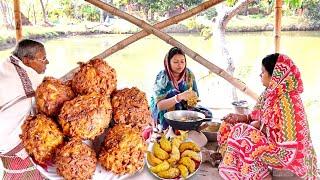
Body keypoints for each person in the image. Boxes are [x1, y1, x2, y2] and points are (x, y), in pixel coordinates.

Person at [217, 53, 318, 179]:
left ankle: (256, 174)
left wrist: (259, 128)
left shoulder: (288, 101)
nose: (260, 75)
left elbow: (290, 144)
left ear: (274, 75)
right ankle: (235, 163)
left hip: (286, 155)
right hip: (268, 139)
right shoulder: (270, 92)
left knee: (240, 131)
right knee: (228, 124)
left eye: (263, 72)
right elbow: (257, 116)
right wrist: (239, 118)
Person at [0, 39, 49, 179]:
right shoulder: (23, 78)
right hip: (10, 142)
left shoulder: (8, 64)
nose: (47, 62)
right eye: (43, 58)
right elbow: (47, 93)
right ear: (27, 60)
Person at [150, 47, 199, 130]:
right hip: (165, 109)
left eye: (182, 61)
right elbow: (159, 106)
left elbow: (195, 95)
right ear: (168, 63)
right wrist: (179, 97)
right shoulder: (162, 77)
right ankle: (166, 127)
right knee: (172, 94)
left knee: (206, 114)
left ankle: (184, 125)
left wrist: (192, 100)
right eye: (175, 62)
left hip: (183, 109)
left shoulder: (189, 74)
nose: (180, 65)